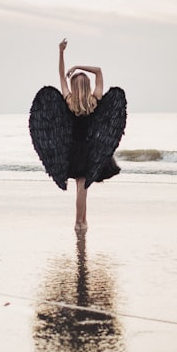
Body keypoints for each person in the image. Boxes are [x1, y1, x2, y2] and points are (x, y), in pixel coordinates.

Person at [29, 38, 127, 231]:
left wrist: (61, 53)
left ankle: (82, 220)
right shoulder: (95, 100)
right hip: (89, 149)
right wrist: (78, 66)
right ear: (87, 85)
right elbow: (99, 70)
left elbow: (60, 76)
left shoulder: (69, 100)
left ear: (74, 86)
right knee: (83, 186)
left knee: (82, 186)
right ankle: (79, 222)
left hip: (73, 149)